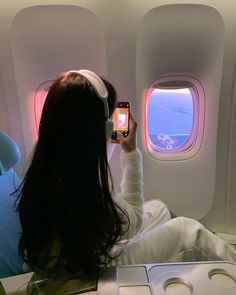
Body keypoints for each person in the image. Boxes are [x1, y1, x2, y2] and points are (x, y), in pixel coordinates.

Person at [17, 69, 236, 277]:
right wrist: (130, 152)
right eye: (108, 119)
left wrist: (106, 141)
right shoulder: (84, 191)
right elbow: (135, 221)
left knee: (159, 209)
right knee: (189, 231)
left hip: (70, 254)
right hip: (93, 269)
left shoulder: (44, 154)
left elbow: (112, 209)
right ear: (101, 128)